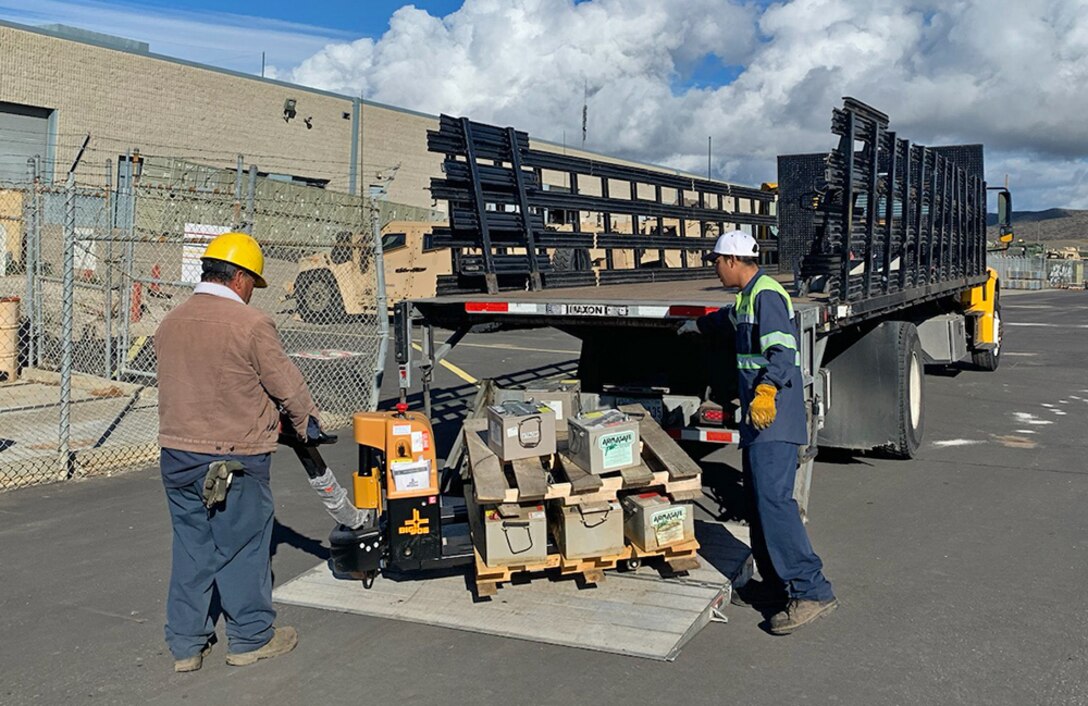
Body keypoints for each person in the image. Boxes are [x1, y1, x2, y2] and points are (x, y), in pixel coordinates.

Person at [155, 231, 314, 671]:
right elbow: (286, 385)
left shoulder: (172, 320)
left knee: (191, 548)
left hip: (176, 455)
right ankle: (250, 638)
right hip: (234, 460)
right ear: (240, 278)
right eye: (252, 283)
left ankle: (186, 645)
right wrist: (306, 424)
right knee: (243, 546)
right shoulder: (251, 324)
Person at [679, 230, 837, 635]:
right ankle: (778, 586)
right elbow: (730, 322)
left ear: (732, 261)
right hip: (758, 422)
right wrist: (697, 326)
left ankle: (811, 590)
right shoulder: (747, 297)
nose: (714, 268)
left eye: (716, 261)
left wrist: (766, 390)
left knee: (774, 503)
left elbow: (782, 352)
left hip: (774, 419)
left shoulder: (766, 295)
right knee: (758, 504)